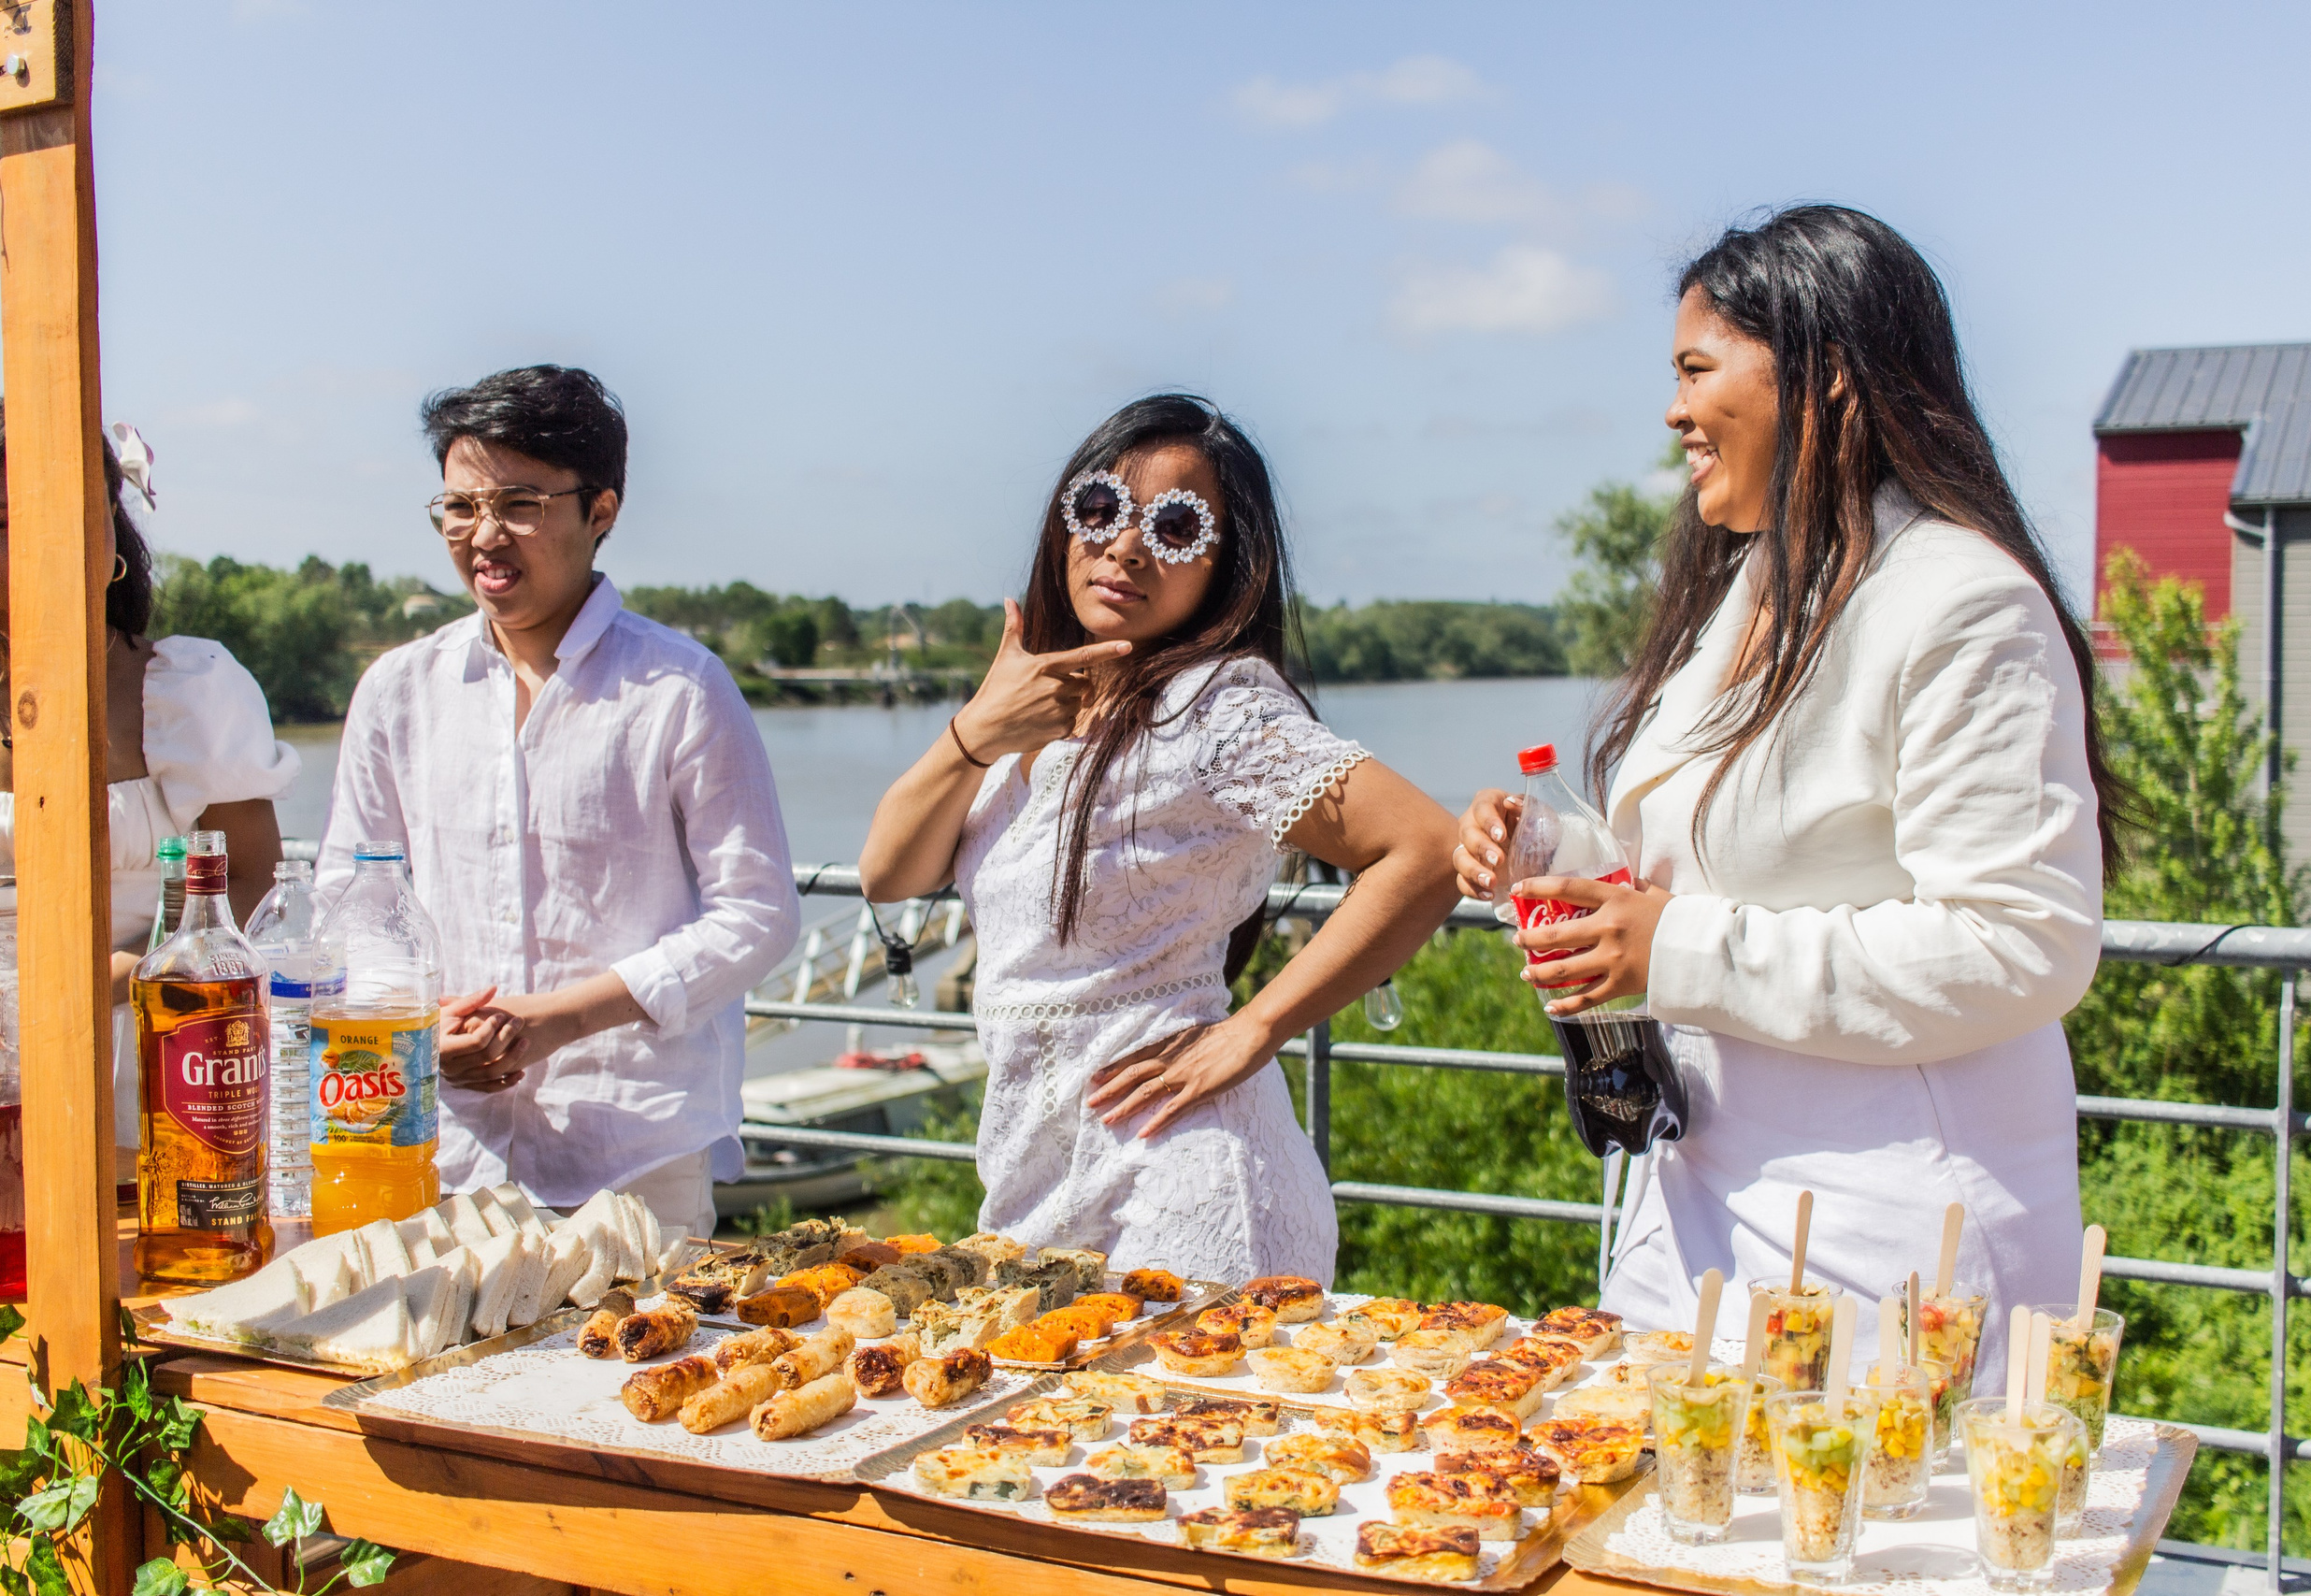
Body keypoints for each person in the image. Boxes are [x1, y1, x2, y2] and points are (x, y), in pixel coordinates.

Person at [1456, 207, 2113, 1387]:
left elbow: (2024, 943)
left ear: (1828, 380)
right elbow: (1724, 864)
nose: (1672, 412)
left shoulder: (1961, 602)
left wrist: (1675, 951)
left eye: (1696, 370)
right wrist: (1549, 851)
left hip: (1891, 1232)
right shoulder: (1758, 580)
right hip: (1702, 1195)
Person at [860, 395, 1457, 1284]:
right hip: (1045, 1181)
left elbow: (1427, 849)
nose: (1128, 545)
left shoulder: (1216, 708)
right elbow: (888, 871)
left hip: (1192, 1181)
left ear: (1225, 566)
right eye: (1100, 507)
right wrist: (978, 729)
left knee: (1180, 1426)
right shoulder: (1034, 705)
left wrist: (1256, 1028)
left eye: (1176, 526)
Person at [316, 366, 797, 1238]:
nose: (483, 535)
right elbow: (349, 902)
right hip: (438, 1144)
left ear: (601, 510)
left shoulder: (681, 688)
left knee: (644, 1375)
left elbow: (759, 913)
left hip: (634, 1152)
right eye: (460, 507)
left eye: (520, 504)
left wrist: (563, 1018)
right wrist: (421, 1026)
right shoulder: (399, 690)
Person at [0, 416, 297, 1147]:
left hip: (152, 1096)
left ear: (113, 529)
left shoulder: (193, 690)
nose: (45, 543)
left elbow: (257, 897)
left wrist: (120, 978)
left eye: (74, 511)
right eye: (9, 520)